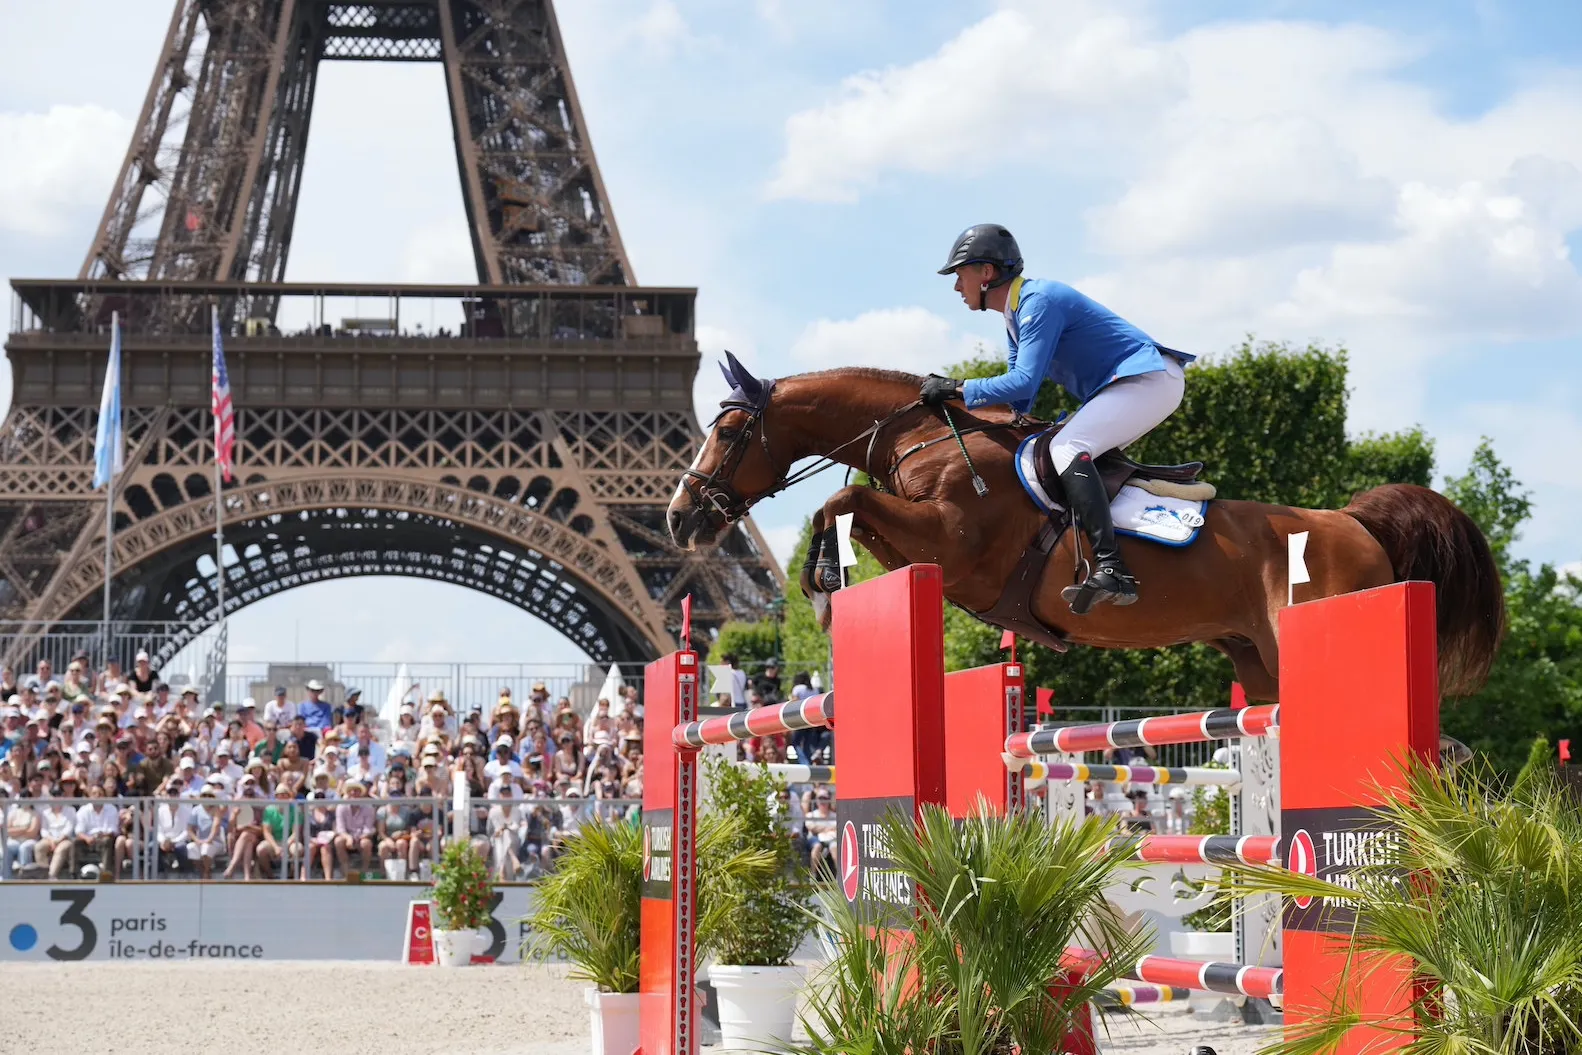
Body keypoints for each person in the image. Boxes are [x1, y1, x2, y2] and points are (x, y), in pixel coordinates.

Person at [923, 224, 1194, 614]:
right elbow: (1019, 398)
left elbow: (1021, 380)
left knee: (1068, 446)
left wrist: (957, 387)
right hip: (1132, 385)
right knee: (1055, 449)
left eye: (960, 274)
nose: (956, 286)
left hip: (1150, 380)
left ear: (986, 273)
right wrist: (956, 408)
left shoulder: (1038, 301)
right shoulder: (1015, 315)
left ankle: (1112, 566)